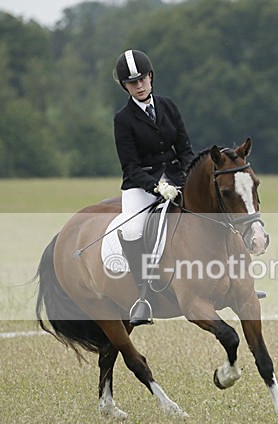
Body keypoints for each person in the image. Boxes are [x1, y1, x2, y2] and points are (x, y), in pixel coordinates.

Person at [113, 49, 195, 326]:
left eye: (142, 79)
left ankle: (233, 282)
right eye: (131, 82)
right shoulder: (122, 120)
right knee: (131, 228)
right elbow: (130, 166)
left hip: (175, 176)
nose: (139, 85)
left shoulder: (169, 106)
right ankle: (143, 296)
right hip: (141, 184)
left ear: (151, 77)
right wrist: (156, 187)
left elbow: (184, 149)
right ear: (125, 86)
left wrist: (188, 176)